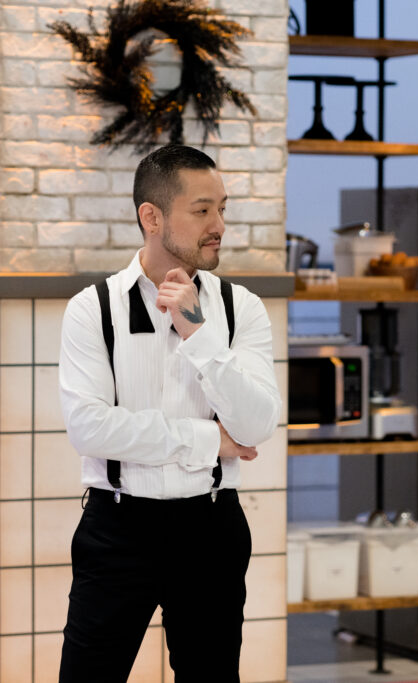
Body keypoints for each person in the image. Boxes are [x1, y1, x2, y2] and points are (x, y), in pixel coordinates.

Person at [57, 144, 282, 682]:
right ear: (151, 217)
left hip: (212, 530)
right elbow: (90, 427)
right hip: (116, 529)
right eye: (202, 210)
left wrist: (198, 334)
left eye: (223, 209)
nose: (219, 225)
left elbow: (255, 427)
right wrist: (210, 442)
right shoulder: (93, 308)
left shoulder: (239, 308)